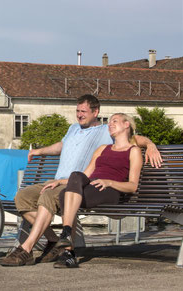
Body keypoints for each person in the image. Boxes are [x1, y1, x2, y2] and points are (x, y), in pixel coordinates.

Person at [0, 94, 161, 267]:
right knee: (22, 197)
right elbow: (62, 146)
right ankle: (54, 240)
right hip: (62, 180)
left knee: (51, 195)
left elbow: (134, 139)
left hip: (79, 184)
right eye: (77, 111)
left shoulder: (105, 131)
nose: (79, 114)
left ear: (95, 112)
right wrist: (39, 151)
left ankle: (26, 249)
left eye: (83, 111)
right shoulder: (73, 129)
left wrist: (150, 145)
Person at [50, 113, 142, 267]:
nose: (110, 124)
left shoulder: (133, 151)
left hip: (110, 190)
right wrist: (59, 181)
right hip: (91, 186)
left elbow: (133, 186)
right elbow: (85, 175)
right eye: (109, 122)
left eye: (115, 121)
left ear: (127, 125)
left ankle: (68, 248)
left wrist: (109, 182)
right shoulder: (102, 149)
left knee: (66, 195)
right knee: (70, 182)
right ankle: (66, 238)